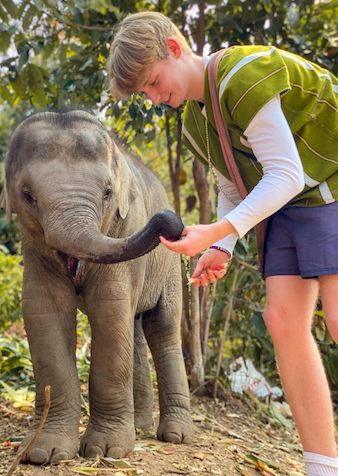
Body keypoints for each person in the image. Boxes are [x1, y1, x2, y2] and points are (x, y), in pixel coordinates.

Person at [108, 11, 338, 476]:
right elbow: (232, 184)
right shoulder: (195, 122)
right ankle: (323, 467)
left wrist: (218, 231)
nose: (154, 99)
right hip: (293, 202)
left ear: (175, 47)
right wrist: (223, 246)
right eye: (144, 93)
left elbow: (287, 172)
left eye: (153, 82)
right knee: (282, 320)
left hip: (328, 180)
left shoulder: (238, 73)